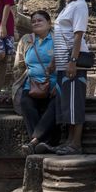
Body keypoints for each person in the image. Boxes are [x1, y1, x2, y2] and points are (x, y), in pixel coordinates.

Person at [52, 0, 91, 155]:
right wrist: (55, 61)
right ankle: (68, 141)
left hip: (72, 62)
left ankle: (76, 144)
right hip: (62, 62)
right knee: (67, 104)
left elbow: (78, 36)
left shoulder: (80, 6)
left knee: (75, 104)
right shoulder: (69, 6)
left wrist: (72, 61)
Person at [14, 10, 58, 155]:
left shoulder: (57, 39)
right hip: (31, 86)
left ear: (49, 23)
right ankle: (42, 142)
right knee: (26, 103)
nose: (36, 23)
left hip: (53, 87)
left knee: (55, 105)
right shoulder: (26, 40)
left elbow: (65, 64)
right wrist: (16, 86)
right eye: (33, 21)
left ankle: (34, 141)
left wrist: (58, 85)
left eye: (40, 20)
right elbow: (19, 66)